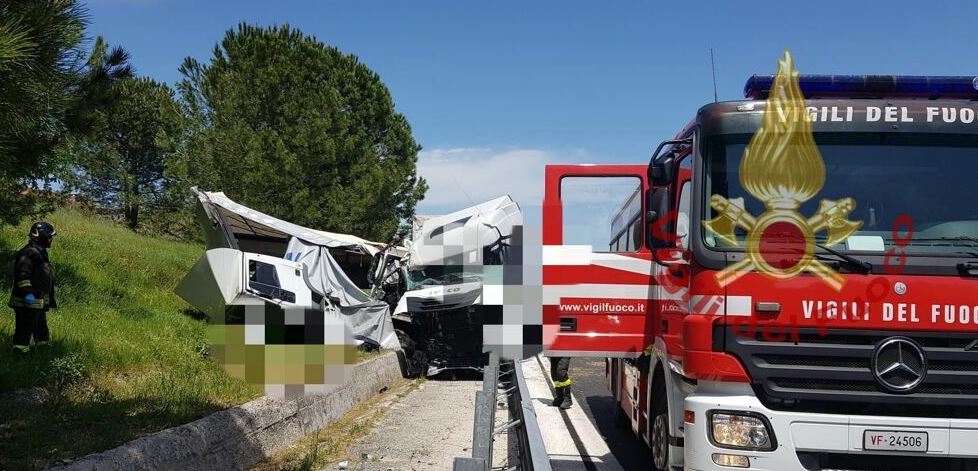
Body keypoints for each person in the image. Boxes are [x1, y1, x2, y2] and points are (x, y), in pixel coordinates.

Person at [8, 222, 57, 353]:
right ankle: (19, 352)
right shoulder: (29, 253)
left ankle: (42, 350)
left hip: (37, 301)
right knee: (24, 329)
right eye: (49, 237)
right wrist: (27, 293)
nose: (51, 240)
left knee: (41, 328)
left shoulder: (40, 252)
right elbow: (22, 275)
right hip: (26, 301)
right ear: (41, 237)